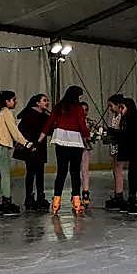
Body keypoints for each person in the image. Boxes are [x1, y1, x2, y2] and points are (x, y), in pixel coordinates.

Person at [39, 85, 91, 215]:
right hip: (75, 141)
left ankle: (56, 202)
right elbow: (82, 124)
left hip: (60, 140)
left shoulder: (58, 107)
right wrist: (87, 136)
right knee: (75, 172)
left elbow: (49, 123)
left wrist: (40, 139)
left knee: (61, 172)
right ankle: (77, 202)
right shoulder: (78, 108)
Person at [0, 90, 32, 217]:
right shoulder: (7, 112)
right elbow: (14, 131)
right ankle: (7, 203)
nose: (16, 102)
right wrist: (26, 143)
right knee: (5, 175)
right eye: (14, 100)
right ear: (7, 101)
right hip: (1, 146)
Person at [16, 94, 52, 212]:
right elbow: (21, 130)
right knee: (31, 173)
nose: (47, 103)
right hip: (31, 147)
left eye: (47, 101)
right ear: (37, 102)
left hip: (40, 147)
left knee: (39, 173)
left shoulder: (45, 115)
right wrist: (28, 144)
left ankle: (40, 197)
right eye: (44, 100)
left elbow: (49, 130)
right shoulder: (29, 114)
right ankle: (30, 198)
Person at [102, 94, 127, 210]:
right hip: (114, 147)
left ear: (118, 105)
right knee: (115, 171)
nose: (110, 109)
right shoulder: (115, 117)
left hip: (120, 147)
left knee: (118, 171)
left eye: (111, 106)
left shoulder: (122, 117)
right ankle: (117, 193)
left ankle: (119, 195)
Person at [79, 102, 102, 207]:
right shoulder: (74, 121)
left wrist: (94, 136)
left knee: (85, 171)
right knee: (76, 171)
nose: (84, 112)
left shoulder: (90, 122)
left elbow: (99, 130)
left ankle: (85, 192)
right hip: (75, 148)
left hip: (85, 148)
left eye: (86, 109)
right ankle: (75, 193)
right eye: (82, 109)